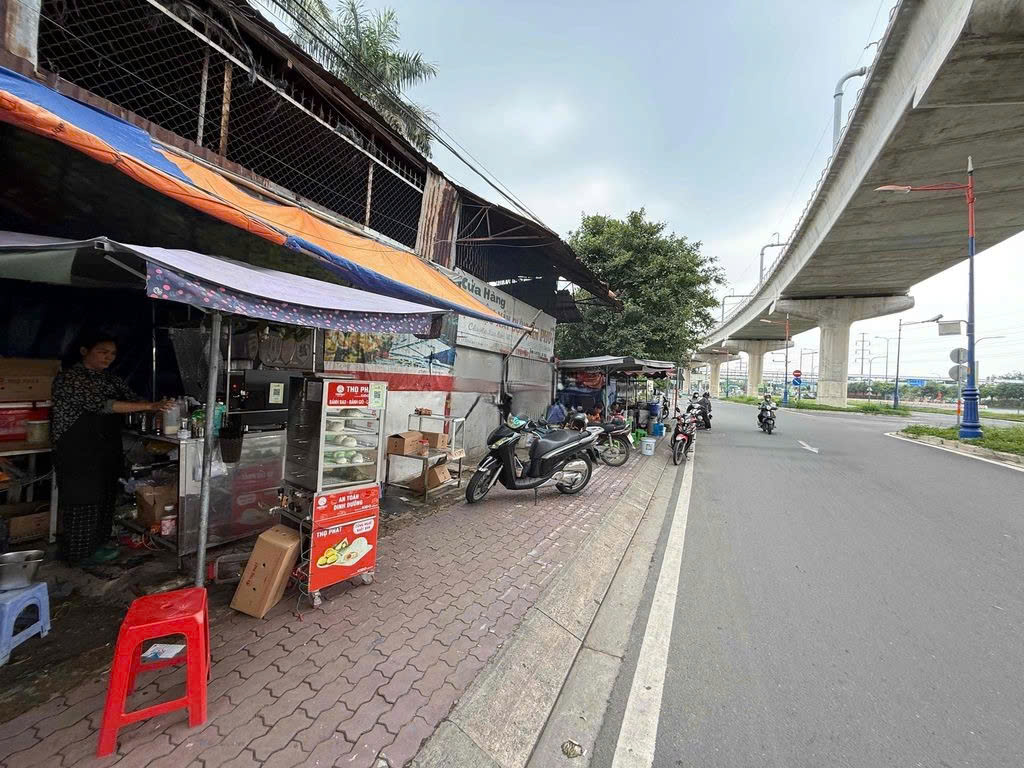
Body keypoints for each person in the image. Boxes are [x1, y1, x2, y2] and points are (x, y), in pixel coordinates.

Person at [51, 331, 173, 563]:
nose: (108, 357)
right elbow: (104, 405)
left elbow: (133, 398)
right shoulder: (70, 378)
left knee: (106, 497)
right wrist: (150, 406)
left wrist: (158, 407)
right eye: (102, 352)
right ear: (84, 351)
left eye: (113, 354)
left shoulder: (109, 379)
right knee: (83, 500)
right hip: (77, 450)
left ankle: (98, 545)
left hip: (105, 447)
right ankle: (79, 554)